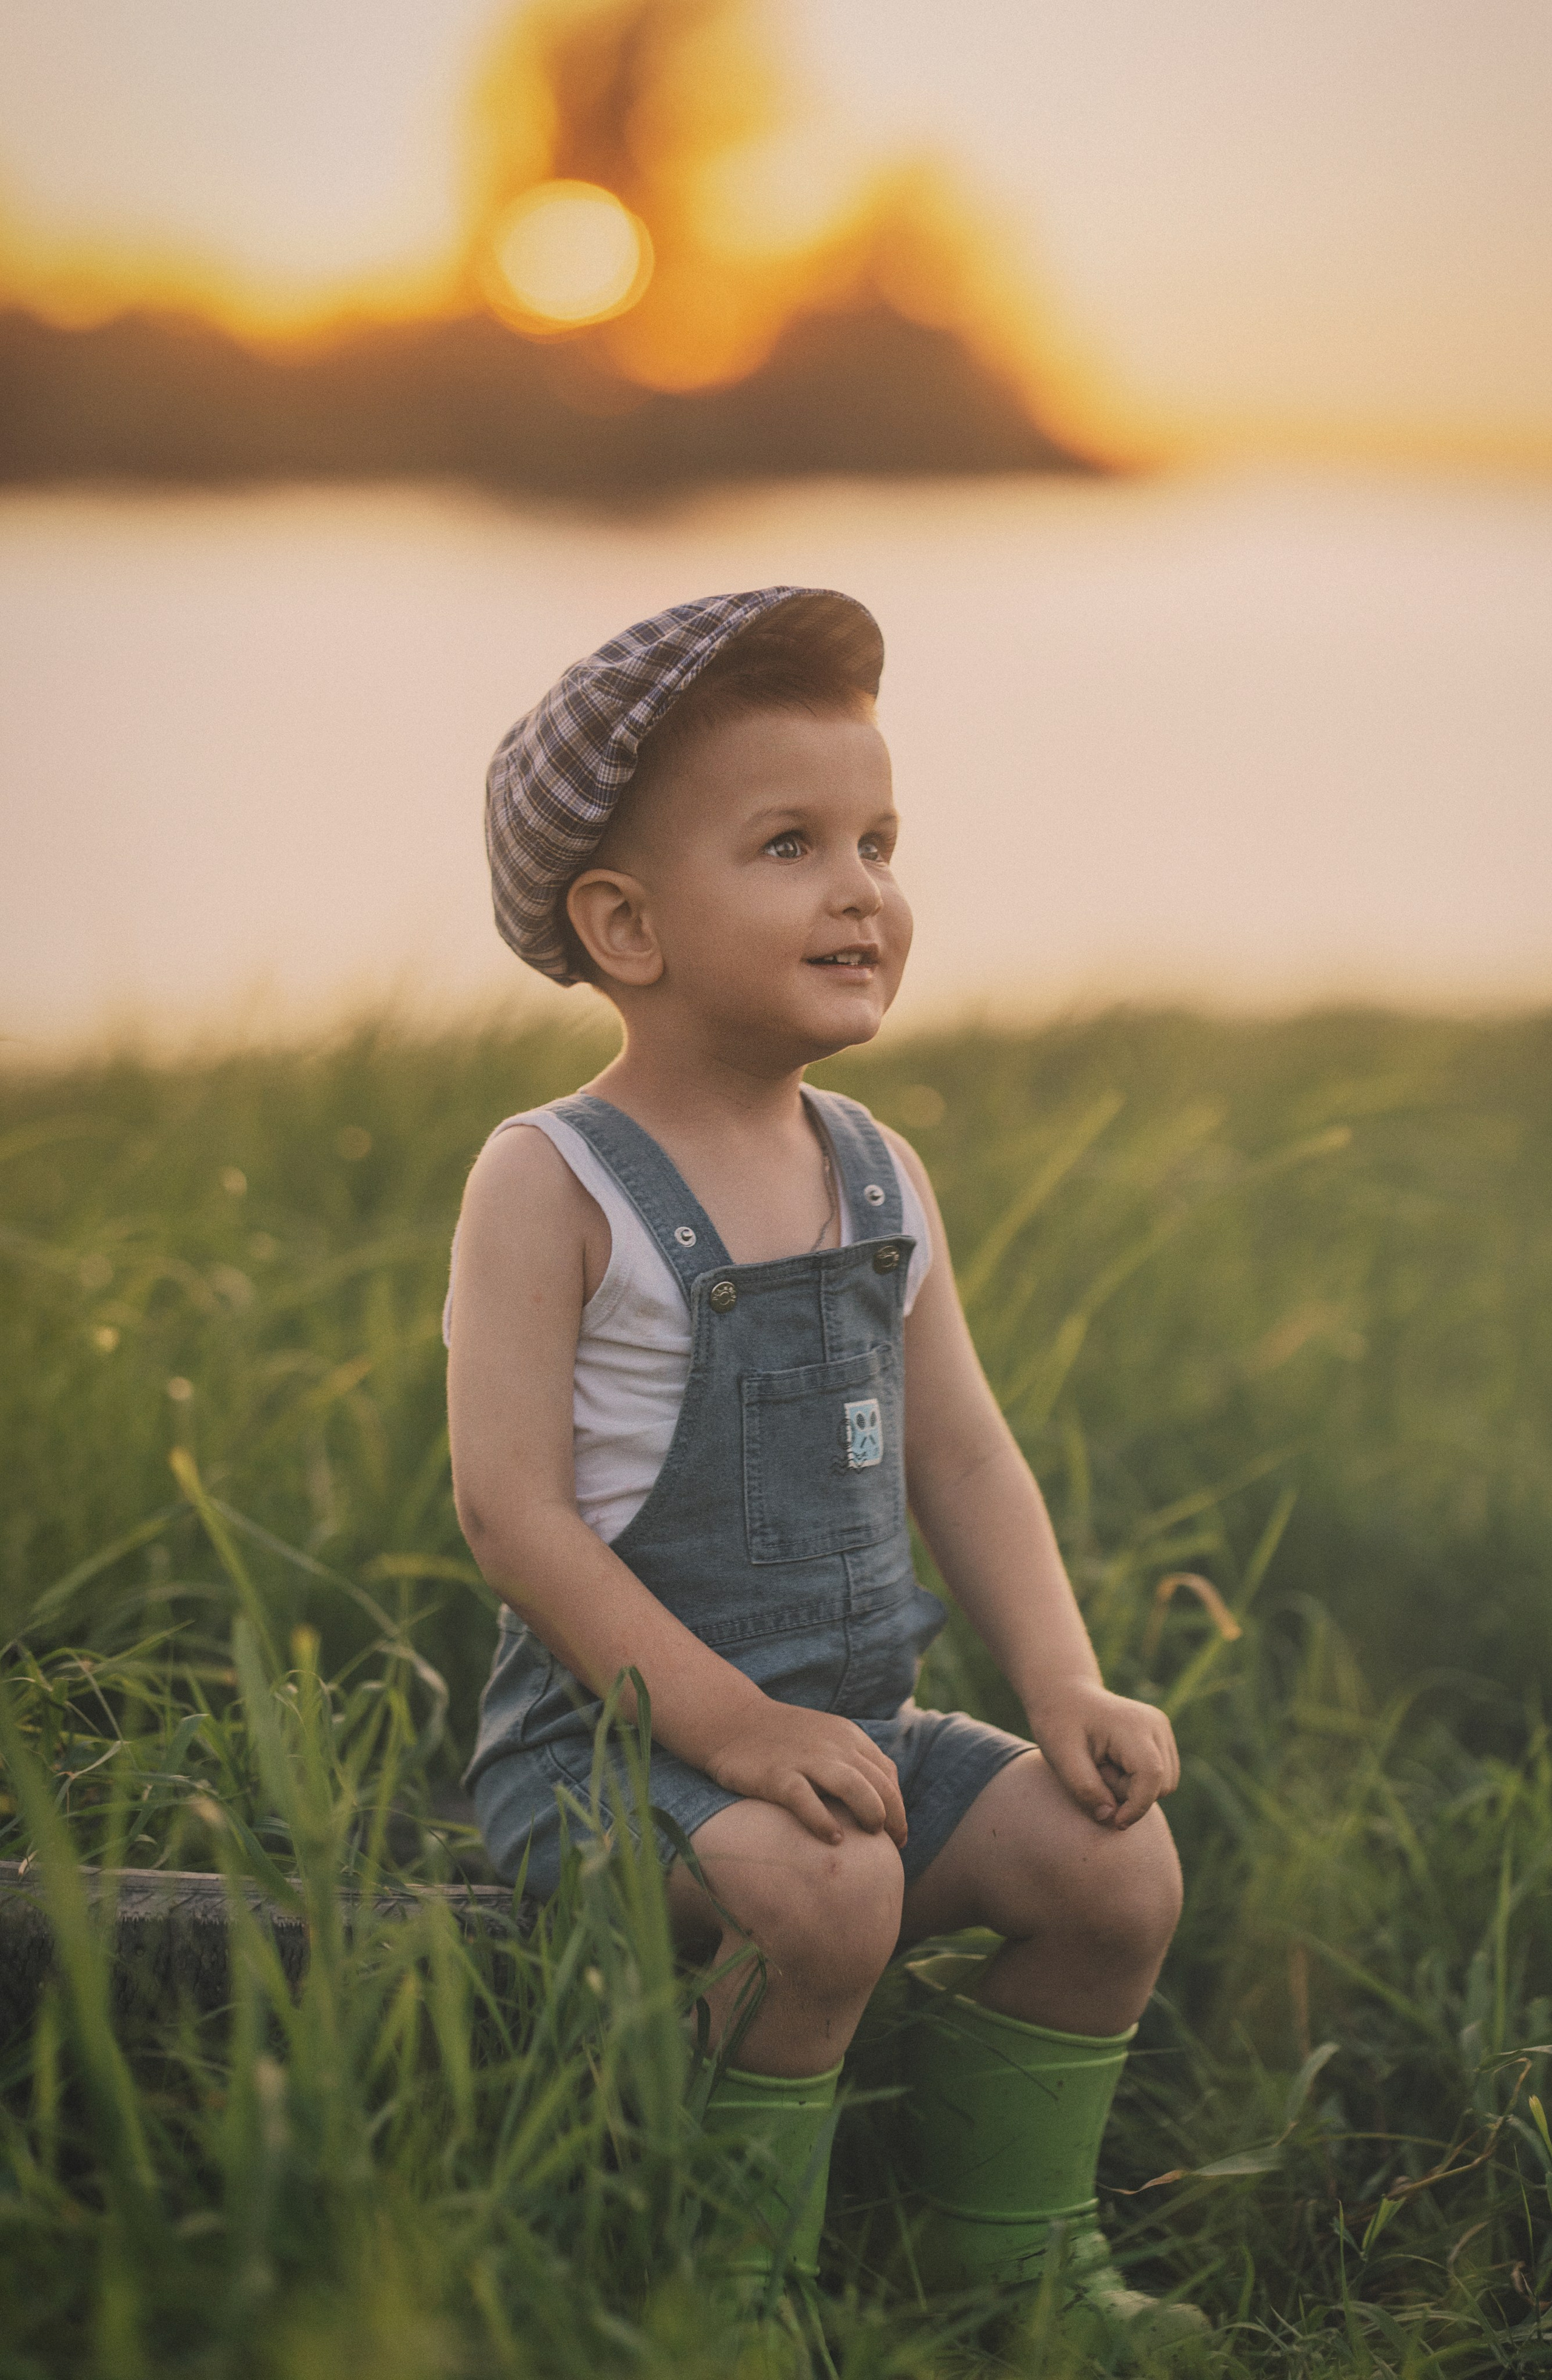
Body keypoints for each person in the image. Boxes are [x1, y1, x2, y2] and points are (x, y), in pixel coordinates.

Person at [445, 588, 1198, 2335]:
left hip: (856, 1735)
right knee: (826, 1890)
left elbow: (965, 1451)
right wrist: (735, 1732)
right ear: (623, 923)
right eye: (791, 845)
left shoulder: (874, 1166)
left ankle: (1005, 2261)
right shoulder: (553, 1181)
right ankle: (722, 2286)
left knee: (1116, 1868)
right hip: (619, 1761)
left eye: (878, 839)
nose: (862, 888)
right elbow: (512, 1516)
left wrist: (1063, 1681)